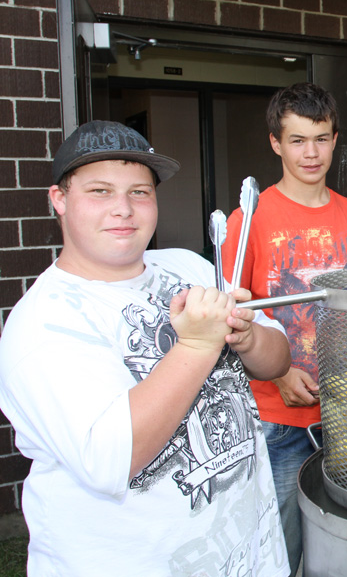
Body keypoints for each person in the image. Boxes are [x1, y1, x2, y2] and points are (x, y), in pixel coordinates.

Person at [0, 120, 292, 576]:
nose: (124, 209)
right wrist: (198, 344)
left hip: (248, 555)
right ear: (59, 199)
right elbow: (114, 457)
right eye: (99, 191)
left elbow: (279, 360)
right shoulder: (42, 326)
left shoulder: (186, 265)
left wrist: (248, 336)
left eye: (139, 192)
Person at [223, 82, 347, 575]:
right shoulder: (247, 220)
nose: (310, 153)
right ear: (276, 142)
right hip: (276, 420)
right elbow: (231, 321)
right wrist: (277, 375)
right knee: (278, 549)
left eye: (320, 138)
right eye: (297, 140)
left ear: (335, 139)